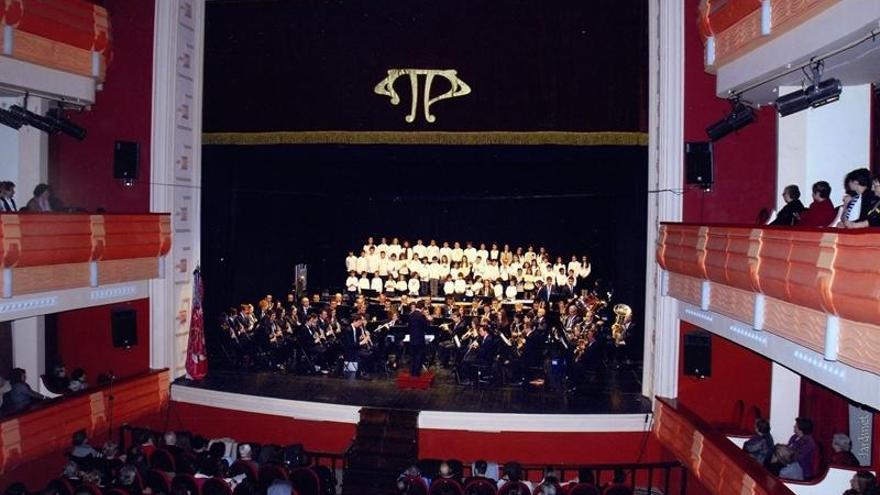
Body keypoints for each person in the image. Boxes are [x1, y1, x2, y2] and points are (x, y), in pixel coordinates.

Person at [407, 301, 429, 376]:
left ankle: (412, 372)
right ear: (422, 308)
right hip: (420, 339)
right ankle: (416, 373)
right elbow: (426, 328)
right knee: (419, 356)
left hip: (412, 338)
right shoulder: (421, 316)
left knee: (413, 357)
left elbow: (408, 327)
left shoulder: (411, 315)